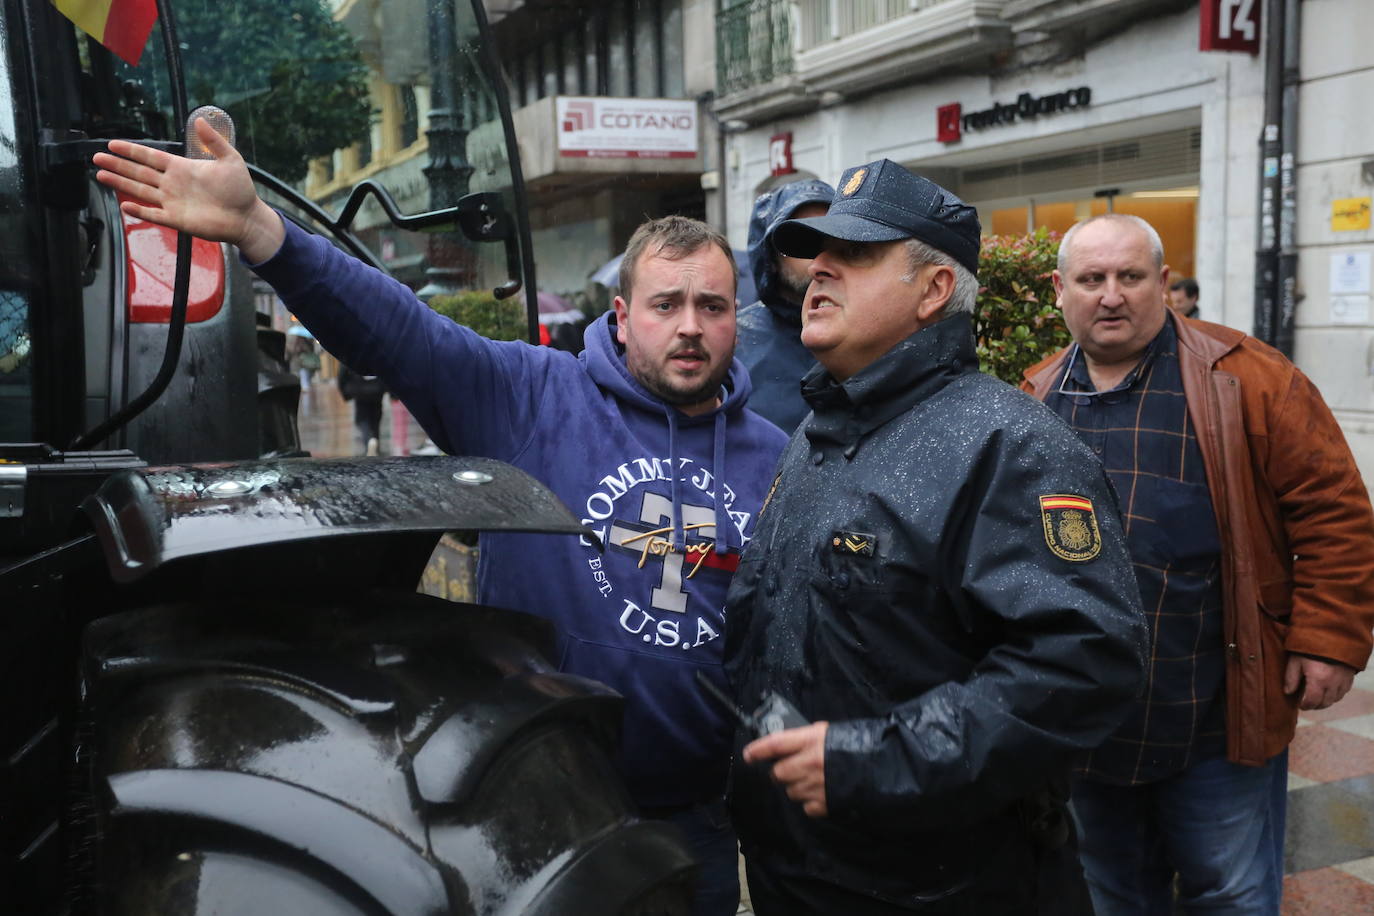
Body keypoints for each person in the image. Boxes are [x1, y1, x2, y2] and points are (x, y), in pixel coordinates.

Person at [93, 120, 789, 916]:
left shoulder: (774, 456)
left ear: (740, 318)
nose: (691, 326)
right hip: (541, 815)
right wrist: (262, 231)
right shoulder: (532, 395)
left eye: (713, 305)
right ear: (624, 316)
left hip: (699, 821)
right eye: (667, 304)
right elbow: (400, 332)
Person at [721, 158, 1149, 915]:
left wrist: (871, 763)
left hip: (943, 888)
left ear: (934, 290)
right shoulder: (817, 431)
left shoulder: (1009, 446)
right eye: (814, 253)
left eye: (852, 255)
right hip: (799, 874)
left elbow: (1085, 665)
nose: (818, 270)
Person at [1022, 213, 1374, 914]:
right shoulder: (1035, 396)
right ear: (1059, 291)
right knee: (1112, 894)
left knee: (1231, 893)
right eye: (1092, 279)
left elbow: (1334, 511)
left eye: (1130, 276)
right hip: (1090, 723)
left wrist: (1327, 639)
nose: (1111, 295)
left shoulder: (1246, 378)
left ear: (1166, 283)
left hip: (1215, 712)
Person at [736, 178, 834, 431]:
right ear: (770, 256)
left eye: (830, 238)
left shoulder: (876, 331)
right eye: (799, 241)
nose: (819, 258)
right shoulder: (734, 341)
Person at [337, 362, 385, 455]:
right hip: (377, 388)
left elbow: (342, 372)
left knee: (362, 419)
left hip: (360, 389)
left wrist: (345, 392)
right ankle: (375, 443)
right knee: (376, 418)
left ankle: (369, 441)